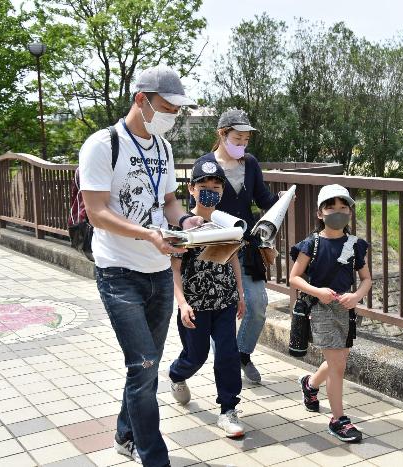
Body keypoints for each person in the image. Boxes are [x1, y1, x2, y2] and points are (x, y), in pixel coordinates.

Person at [80, 65, 201, 466]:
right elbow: (97, 213)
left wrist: (184, 222)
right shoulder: (103, 144)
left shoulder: (163, 149)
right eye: (166, 108)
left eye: (176, 110)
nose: (172, 116)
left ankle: (124, 435)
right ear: (141, 100)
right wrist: (147, 234)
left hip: (159, 271)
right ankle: (154, 456)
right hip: (118, 271)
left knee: (143, 368)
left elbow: (168, 202)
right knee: (145, 363)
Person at [168, 155, 247, 438]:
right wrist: (182, 303)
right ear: (191, 189)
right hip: (195, 306)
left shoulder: (227, 223)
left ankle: (228, 410)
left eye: (217, 185)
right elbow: (174, 269)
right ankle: (177, 374)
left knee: (227, 354)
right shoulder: (181, 225)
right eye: (204, 185)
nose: (211, 190)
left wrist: (240, 293)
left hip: (224, 302)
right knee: (196, 356)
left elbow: (233, 259)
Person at [289, 184, 371, 443]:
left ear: (350, 211)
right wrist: (316, 291)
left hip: (345, 309)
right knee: (338, 364)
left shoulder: (355, 244)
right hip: (321, 308)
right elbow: (294, 277)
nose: (338, 212)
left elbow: (366, 278)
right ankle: (338, 419)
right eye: (331, 207)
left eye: (343, 207)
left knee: (338, 360)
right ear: (320, 213)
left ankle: (310, 385)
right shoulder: (311, 244)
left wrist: (356, 296)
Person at [206, 108, 280, 383]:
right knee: (220, 307)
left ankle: (241, 354)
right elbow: (200, 209)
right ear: (222, 135)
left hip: (247, 245)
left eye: (246, 140)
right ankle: (224, 363)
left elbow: (263, 200)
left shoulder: (250, 163)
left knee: (258, 302)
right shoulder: (207, 166)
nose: (242, 145)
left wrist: (281, 201)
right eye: (237, 139)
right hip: (215, 246)